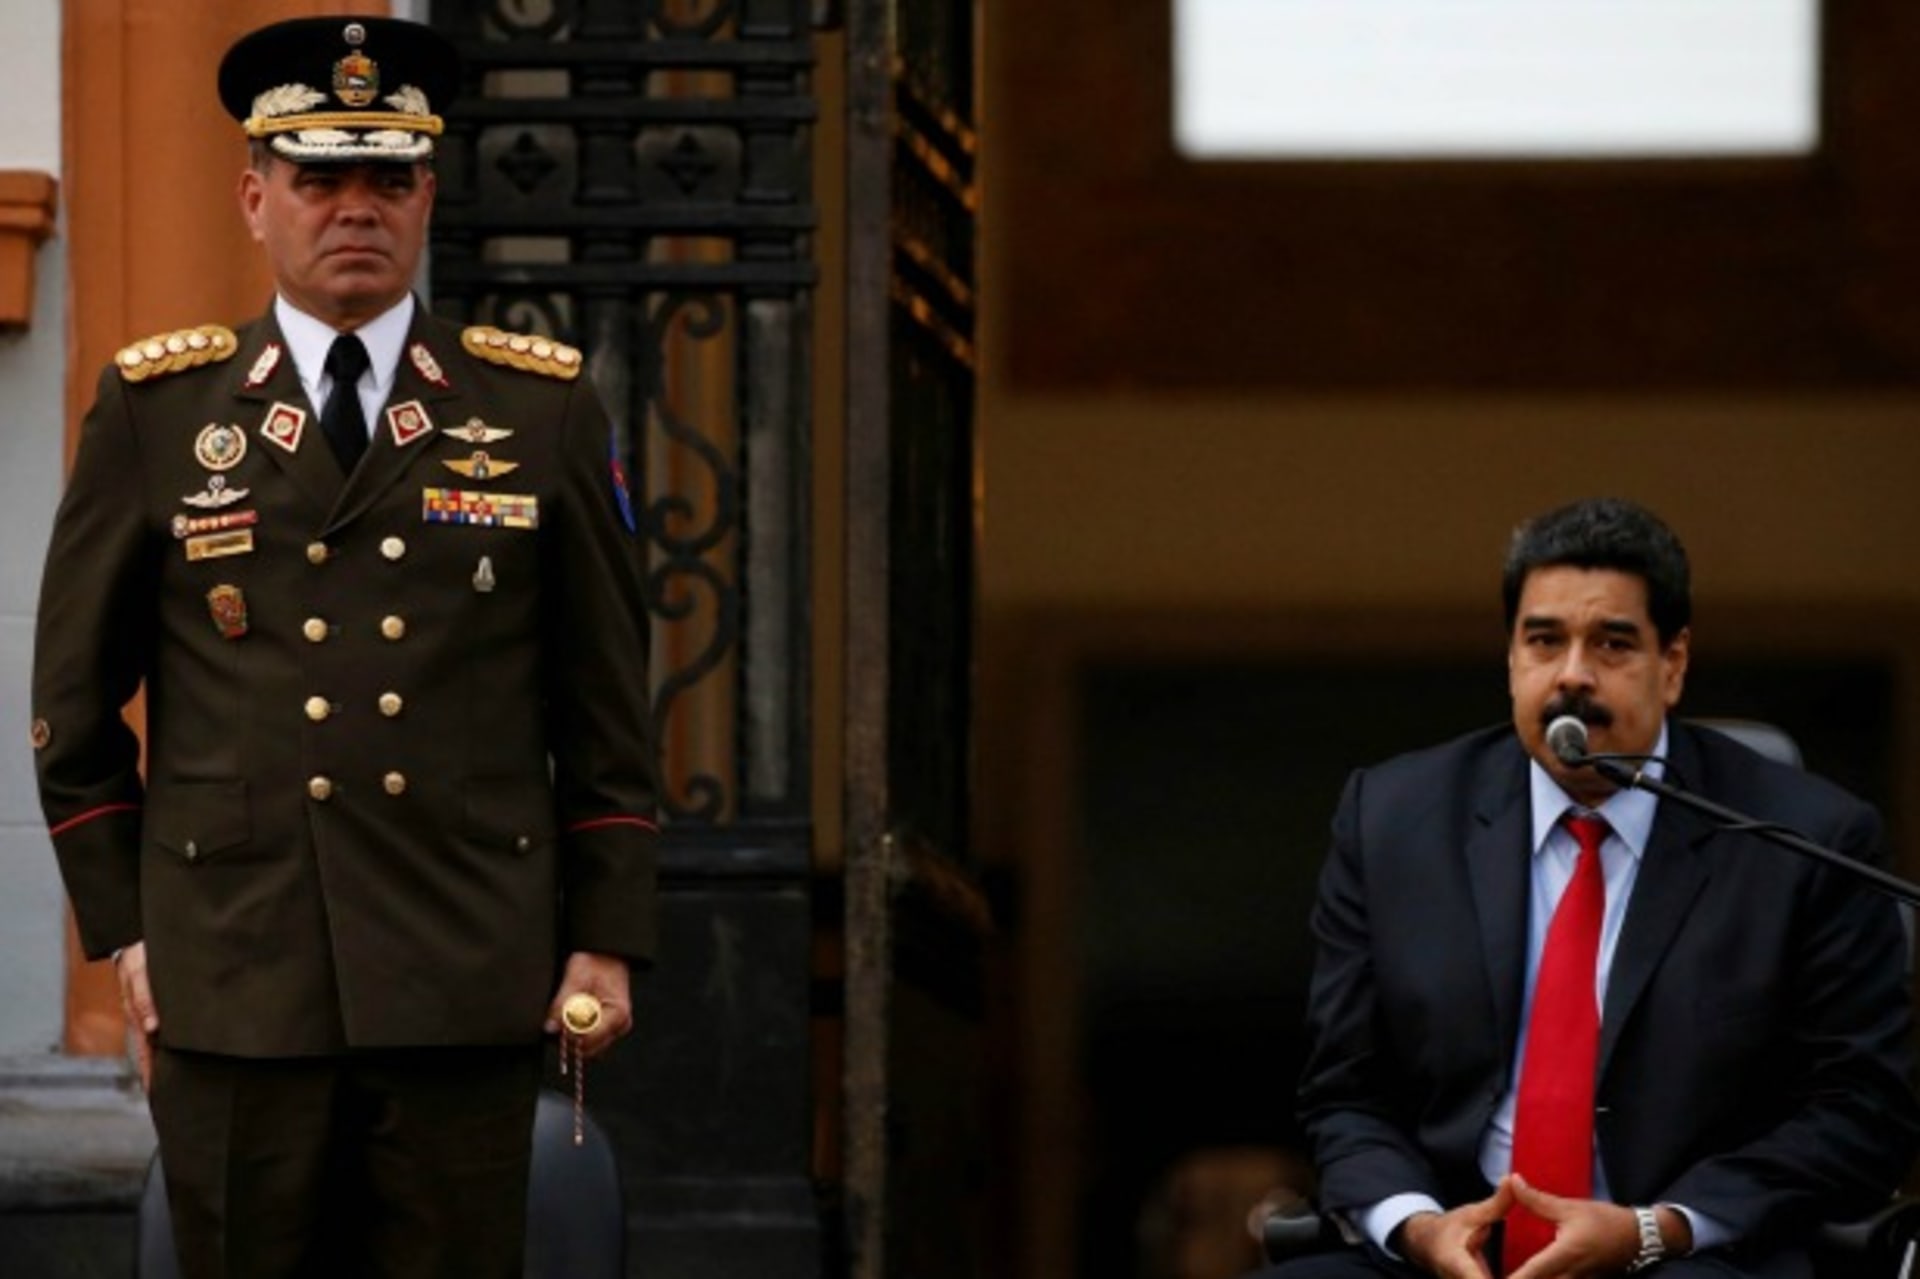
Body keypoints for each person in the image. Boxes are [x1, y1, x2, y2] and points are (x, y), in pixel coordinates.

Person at [30, 15, 659, 1278]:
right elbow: (73, 706)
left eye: (387, 179)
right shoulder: (163, 411)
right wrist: (129, 932)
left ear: (429, 197)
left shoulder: (532, 408)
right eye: (320, 179)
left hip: (461, 964)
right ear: (255, 197)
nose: (353, 209)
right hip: (235, 971)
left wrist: (604, 934)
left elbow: (602, 701)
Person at [1257, 498, 1920, 1279]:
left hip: (1684, 1252)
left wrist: (1656, 1226)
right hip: (1446, 1248)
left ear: (1671, 665)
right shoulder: (1394, 821)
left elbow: (1861, 1111)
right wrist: (1419, 1227)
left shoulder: (1803, 838)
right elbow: (1344, 1091)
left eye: (1612, 643)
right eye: (1544, 640)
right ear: (1510, 660)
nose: (1573, 673)